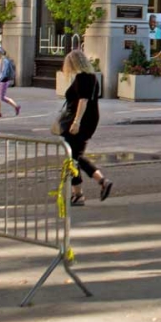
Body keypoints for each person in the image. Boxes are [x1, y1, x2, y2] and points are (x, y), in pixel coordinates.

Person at [59, 49, 113, 205]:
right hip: (88, 120)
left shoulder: (84, 78)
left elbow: (83, 101)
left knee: (72, 159)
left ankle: (83, 192)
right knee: (75, 156)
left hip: (81, 122)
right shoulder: (91, 77)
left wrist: (76, 122)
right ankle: (91, 186)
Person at [0, 46, 21, 118]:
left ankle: (16, 106)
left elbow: (4, 73)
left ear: (0, 53)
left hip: (3, 80)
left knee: (2, 97)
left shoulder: (5, 61)